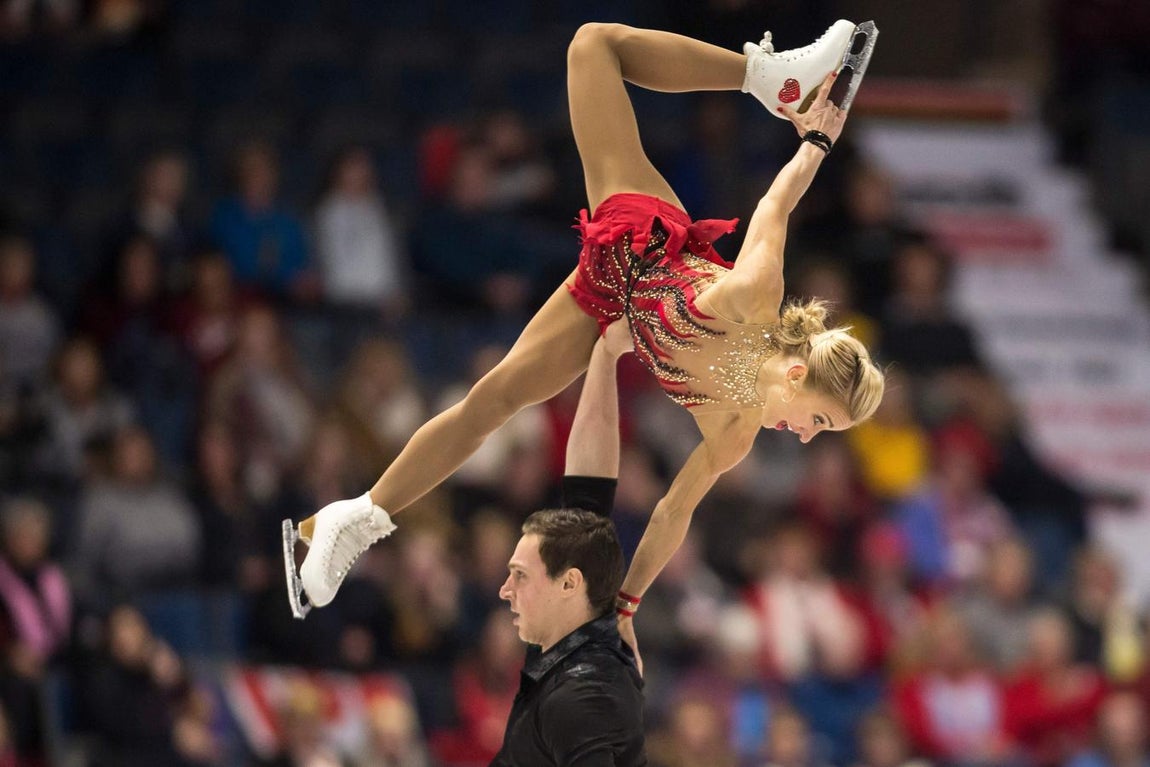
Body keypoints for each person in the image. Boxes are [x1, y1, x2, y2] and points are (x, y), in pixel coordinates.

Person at [285, 21, 885, 654]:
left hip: (607, 301)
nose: (808, 436)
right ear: (798, 374)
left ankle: (354, 519)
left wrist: (625, 605)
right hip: (640, 236)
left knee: (492, 401)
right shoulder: (754, 300)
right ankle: (767, 77)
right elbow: (775, 207)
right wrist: (817, 141)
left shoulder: (735, 431)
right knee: (593, 46)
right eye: (819, 419)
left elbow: (671, 514)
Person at [493, 325, 646, 765]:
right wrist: (606, 353)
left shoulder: (582, 694)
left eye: (520, 576)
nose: (505, 590)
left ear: (569, 584)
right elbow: (590, 490)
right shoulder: (572, 641)